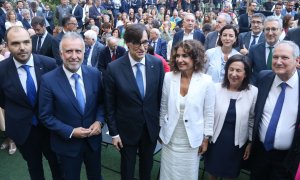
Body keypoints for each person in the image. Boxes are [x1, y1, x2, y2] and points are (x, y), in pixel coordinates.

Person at [39, 32, 104, 180]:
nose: (74, 56)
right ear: (61, 54)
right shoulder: (48, 80)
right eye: (69, 51)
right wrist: (71, 131)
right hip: (67, 144)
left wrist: (99, 121)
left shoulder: (94, 74)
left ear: (83, 52)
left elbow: (101, 103)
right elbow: (45, 116)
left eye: (78, 51)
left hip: (93, 142)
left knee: (96, 176)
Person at [0, 26, 63, 180]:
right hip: (23, 130)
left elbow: (57, 95)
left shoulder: (49, 64)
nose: (22, 48)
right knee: (34, 167)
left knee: (57, 164)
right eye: (15, 43)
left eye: (26, 42)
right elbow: (2, 100)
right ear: (7, 46)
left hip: (50, 128)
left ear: (32, 42)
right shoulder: (1, 70)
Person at [104, 23, 164, 180]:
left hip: (150, 129)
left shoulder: (156, 64)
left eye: (145, 42)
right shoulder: (114, 68)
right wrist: (114, 133)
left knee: (147, 167)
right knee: (127, 169)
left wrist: (160, 125)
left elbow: (160, 98)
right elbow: (109, 105)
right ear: (128, 43)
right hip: (126, 130)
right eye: (137, 43)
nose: (142, 47)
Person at [159, 40, 214, 180]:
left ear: (195, 57)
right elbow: (163, 106)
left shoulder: (206, 81)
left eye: (185, 56)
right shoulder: (168, 77)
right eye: (177, 56)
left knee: (188, 175)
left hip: (192, 140)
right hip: (170, 137)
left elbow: (208, 112)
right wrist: (161, 129)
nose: (180, 59)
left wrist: (206, 138)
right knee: (167, 174)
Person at [251, 40, 300, 180]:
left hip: (288, 158)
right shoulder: (264, 77)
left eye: (284, 57)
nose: (278, 62)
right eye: (275, 57)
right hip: (260, 153)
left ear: (297, 60)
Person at [205, 54, 258, 179]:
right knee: (213, 172)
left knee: (230, 173)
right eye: (231, 69)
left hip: (237, 143)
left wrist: (250, 142)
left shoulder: (253, 92)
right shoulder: (216, 88)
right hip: (216, 139)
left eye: (238, 70)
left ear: (246, 73)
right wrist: (206, 137)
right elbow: (208, 114)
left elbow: (252, 118)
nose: (234, 74)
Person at [248, 16, 282, 84]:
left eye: (273, 29)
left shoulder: (287, 50)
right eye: (267, 29)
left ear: (281, 31)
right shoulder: (254, 49)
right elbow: (248, 71)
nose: (270, 33)